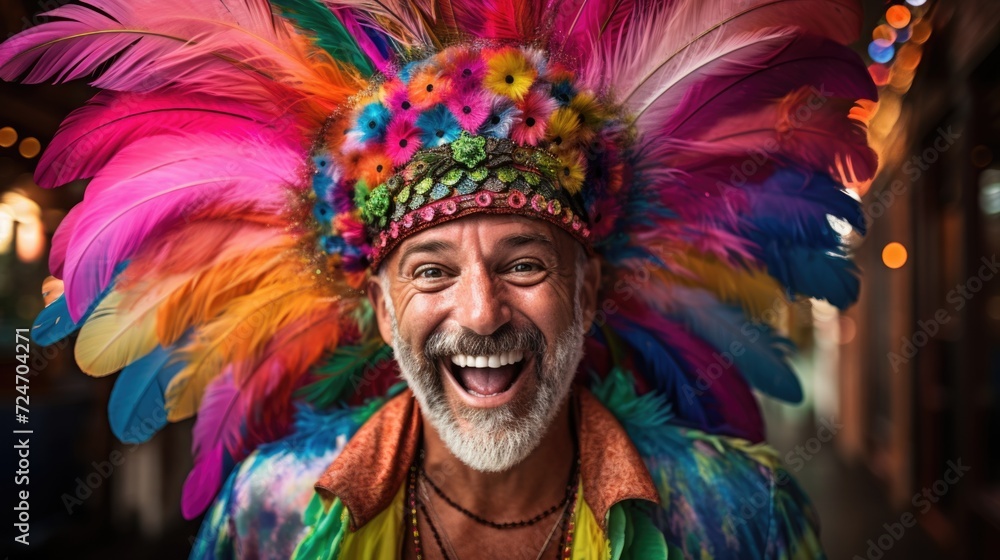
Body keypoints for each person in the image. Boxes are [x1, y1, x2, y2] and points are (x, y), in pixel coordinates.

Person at [3, 0, 878, 558]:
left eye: (524, 264)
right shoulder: (269, 513)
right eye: (431, 270)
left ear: (588, 294)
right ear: (382, 310)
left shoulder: (738, 515)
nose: (481, 310)